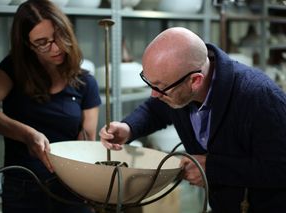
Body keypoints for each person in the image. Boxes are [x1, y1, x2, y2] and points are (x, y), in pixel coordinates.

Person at [99, 27, 286, 213]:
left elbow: (279, 168)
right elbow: (154, 109)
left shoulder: (260, 97)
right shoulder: (177, 86)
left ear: (195, 81)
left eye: (160, 87)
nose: (154, 94)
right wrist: (128, 127)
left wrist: (213, 169)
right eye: (149, 82)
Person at [0, 0, 101, 212]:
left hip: (70, 187)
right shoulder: (13, 69)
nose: (56, 47)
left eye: (59, 36)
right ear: (27, 45)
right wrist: (28, 134)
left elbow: (86, 139)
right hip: (23, 188)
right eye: (42, 42)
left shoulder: (85, 82)